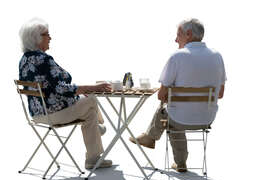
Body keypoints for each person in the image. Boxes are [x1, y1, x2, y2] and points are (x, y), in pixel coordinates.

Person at [129, 18, 226, 172]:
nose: (175, 40)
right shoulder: (217, 56)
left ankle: (153, 139)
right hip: (206, 118)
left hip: (179, 119)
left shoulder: (177, 57)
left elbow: (160, 95)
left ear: (188, 34)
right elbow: (219, 94)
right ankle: (178, 162)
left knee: (170, 115)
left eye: (178, 35)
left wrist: (169, 96)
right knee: (173, 114)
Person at [18, 18, 113, 170]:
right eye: (46, 34)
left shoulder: (24, 60)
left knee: (90, 114)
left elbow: (52, 87)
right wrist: (93, 87)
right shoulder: (44, 59)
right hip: (53, 113)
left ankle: (93, 158)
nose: (50, 37)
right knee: (92, 98)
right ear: (36, 38)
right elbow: (61, 89)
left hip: (37, 114)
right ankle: (99, 128)